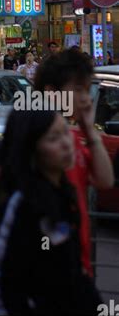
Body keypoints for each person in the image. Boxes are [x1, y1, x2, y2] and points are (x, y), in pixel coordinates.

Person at [0, 108, 102, 315]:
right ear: (31, 149)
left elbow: (72, 271)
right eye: (53, 138)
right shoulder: (19, 205)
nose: (66, 143)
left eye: (65, 133)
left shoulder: (64, 196)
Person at [34, 49, 114, 275]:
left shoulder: (74, 139)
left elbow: (105, 180)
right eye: (78, 89)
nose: (86, 98)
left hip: (78, 266)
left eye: (87, 90)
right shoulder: (32, 139)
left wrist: (90, 131)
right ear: (51, 93)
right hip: (43, 272)